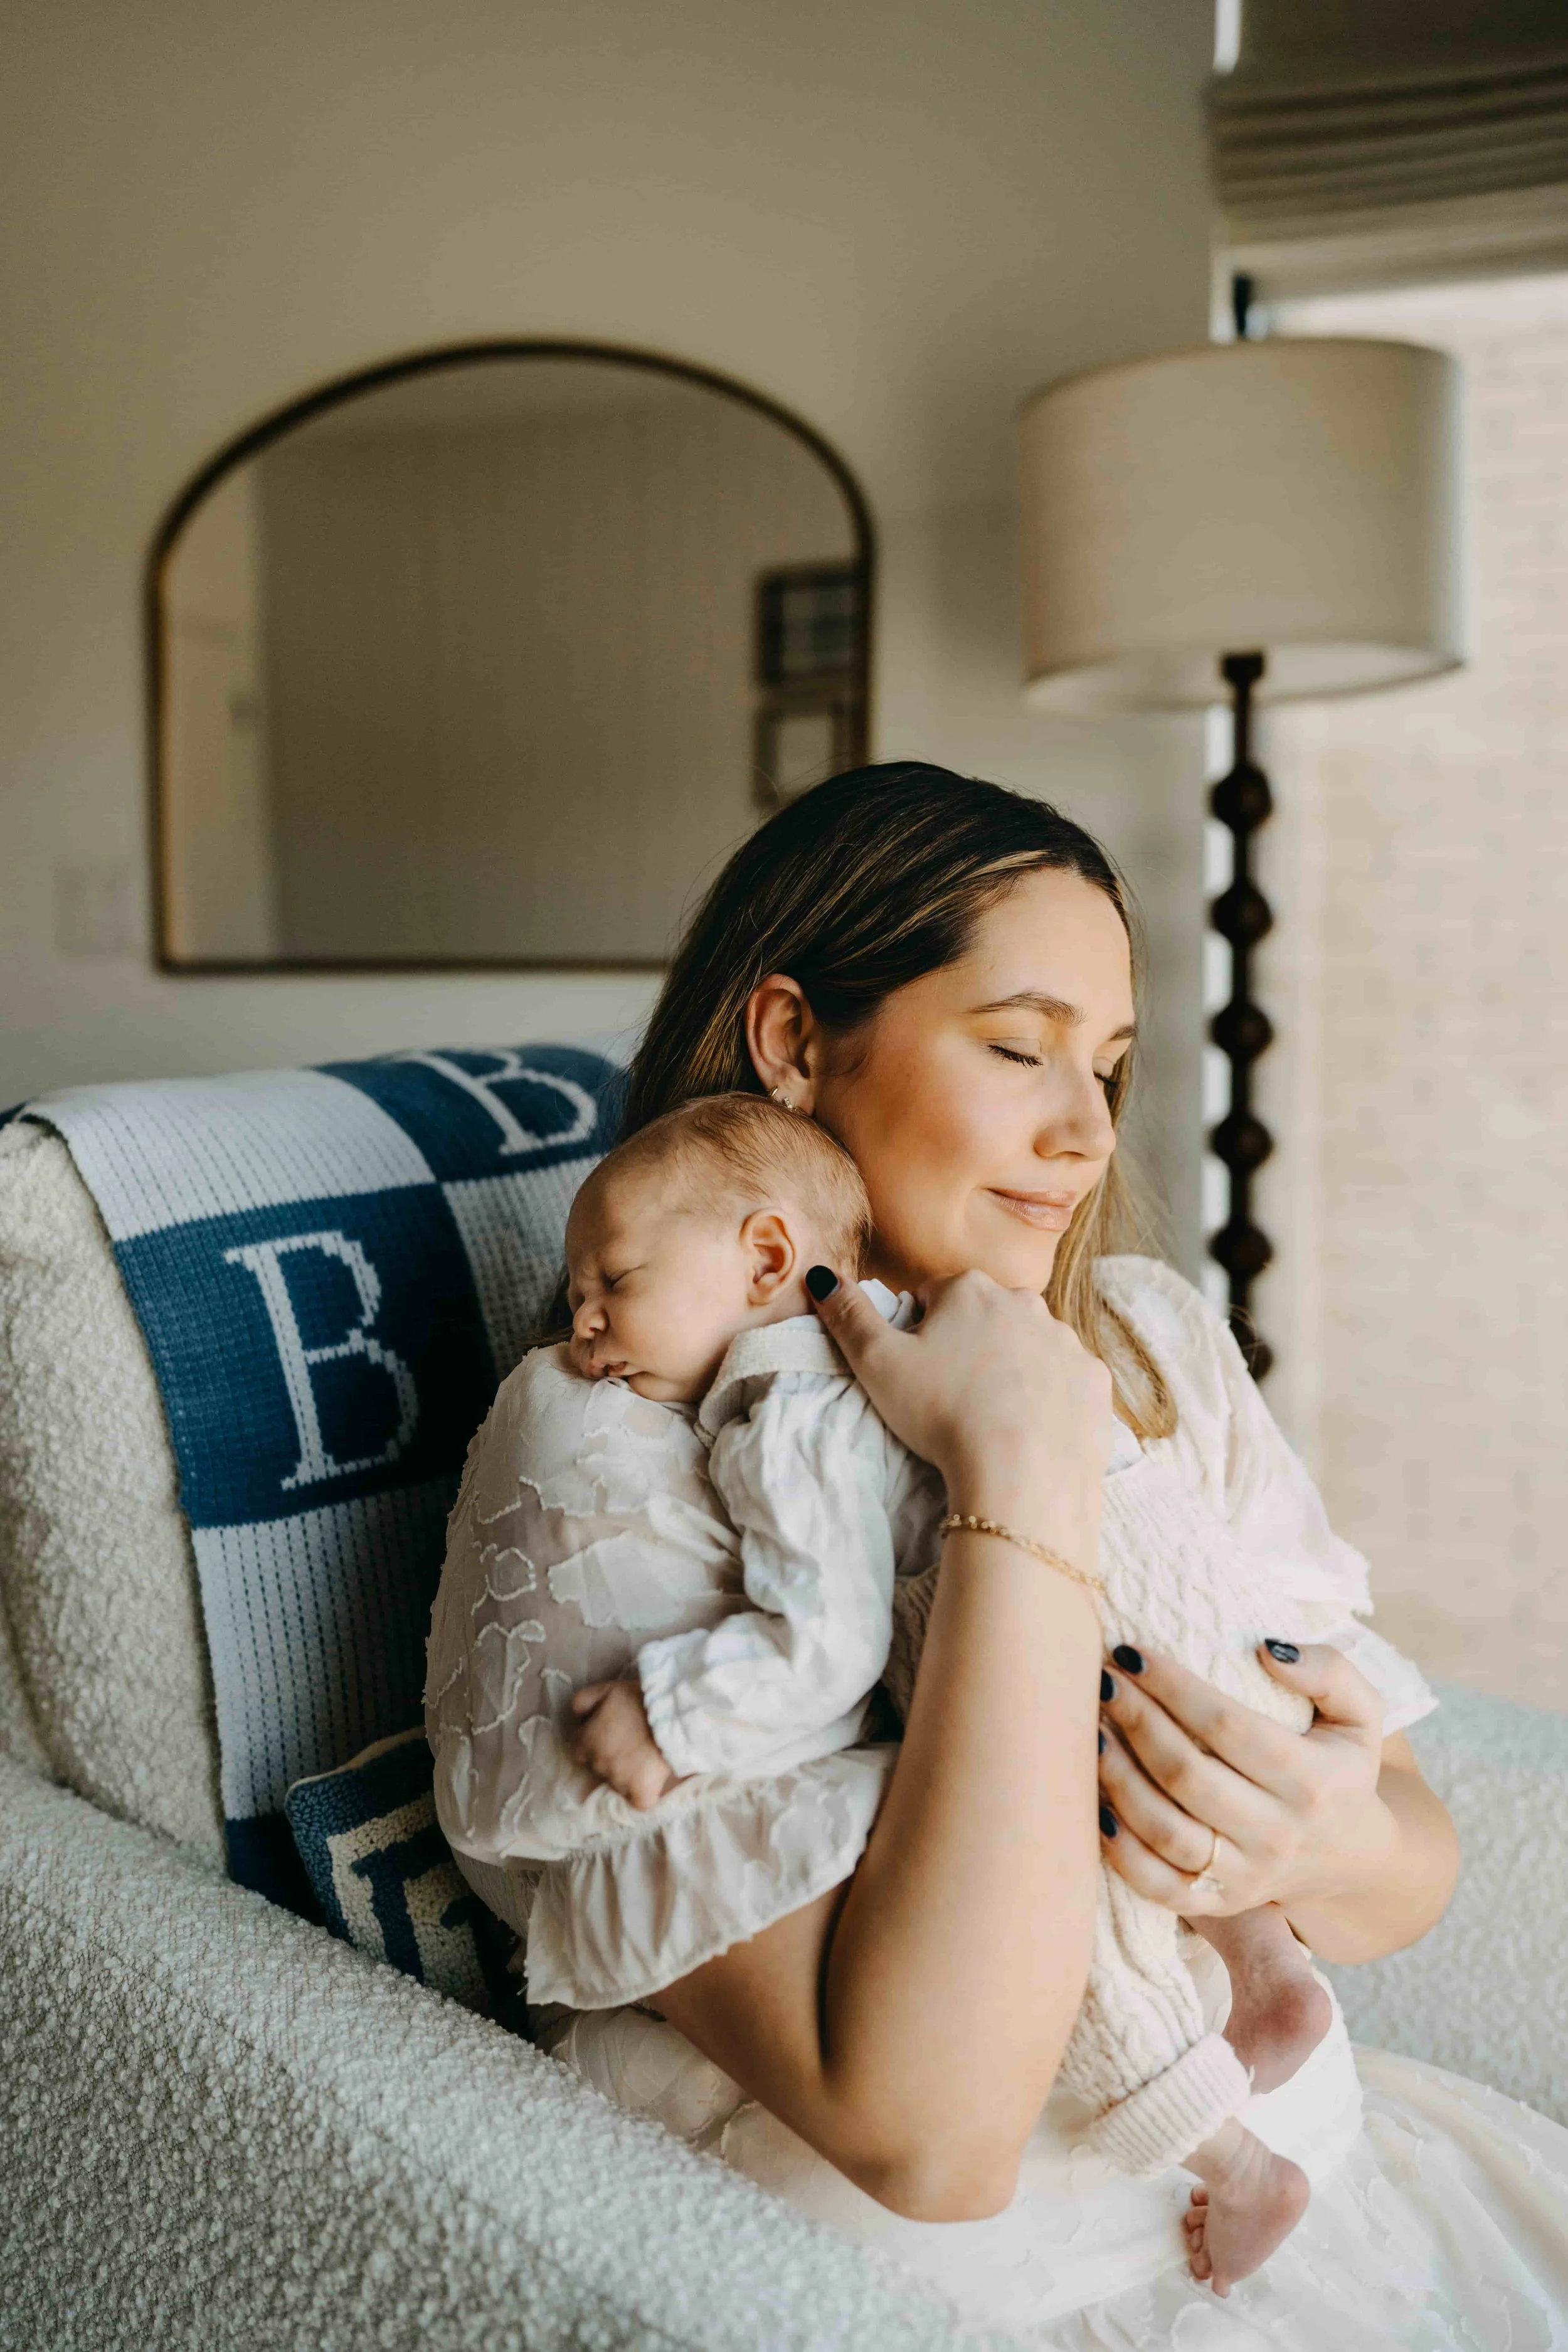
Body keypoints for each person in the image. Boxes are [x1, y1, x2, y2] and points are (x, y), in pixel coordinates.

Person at [451, 765, 1568, 2341]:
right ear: (790, 1042)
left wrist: (1306, 1844)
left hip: (1342, 2210)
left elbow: (1405, 1856)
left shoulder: (1146, 1338)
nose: (1085, 1130)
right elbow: (933, 2133)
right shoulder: (610, 1439)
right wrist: (1017, 1472)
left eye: (1107, 1066)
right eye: (1017, 1048)